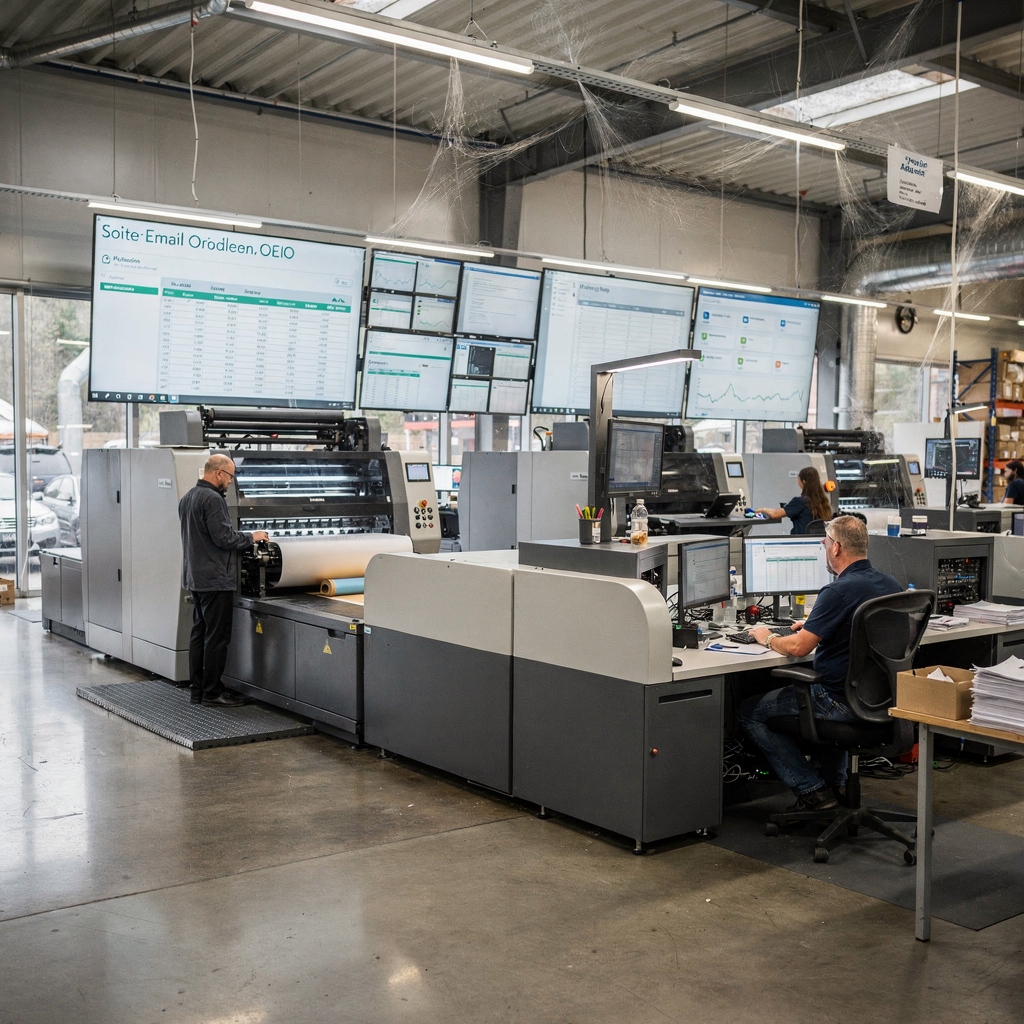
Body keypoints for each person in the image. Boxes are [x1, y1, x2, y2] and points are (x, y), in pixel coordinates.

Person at [736, 515, 901, 812]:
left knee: (748, 712)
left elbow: (798, 648)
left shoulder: (837, 591)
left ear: (836, 548)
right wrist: (818, 625)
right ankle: (837, 783)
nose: (824, 548)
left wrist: (767, 636)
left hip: (838, 700)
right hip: (882, 698)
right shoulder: (891, 584)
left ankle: (812, 789)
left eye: (825, 543)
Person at [179, 454, 269, 707]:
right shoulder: (213, 499)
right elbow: (224, 538)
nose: (230, 482)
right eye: (230, 477)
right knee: (217, 638)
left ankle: (197, 691)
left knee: (199, 634)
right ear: (218, 473)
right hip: (215, 579)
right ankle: (212, 693)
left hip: (195, 577)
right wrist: (252, 537)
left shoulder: (188, 497)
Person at [754, 466, 832, 534]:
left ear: (803, 482)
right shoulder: (823, 501)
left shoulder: (800, 502)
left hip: (800, 542)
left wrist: (761, 510)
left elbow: (775, 514)